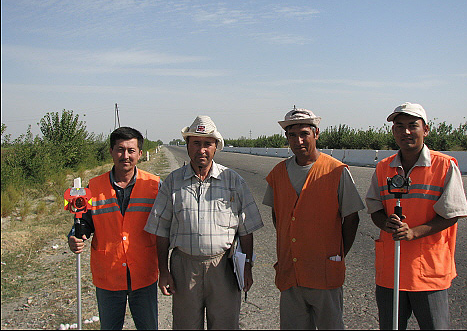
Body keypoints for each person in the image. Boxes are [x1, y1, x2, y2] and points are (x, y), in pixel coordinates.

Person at [144, 115, 264, 330]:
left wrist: (247, 267)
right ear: (188, 146)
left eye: (207, 143)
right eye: (196, 143)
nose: (201, 149)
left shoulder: (233, 181)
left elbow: (246, 230)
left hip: (223, 268)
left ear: (216, 147)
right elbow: (160, 230)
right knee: (185, 325)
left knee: (225, 325)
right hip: (184, 269)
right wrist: (164, 271)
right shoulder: (173, 181)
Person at [365, 102, 467, 330]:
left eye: (413, 126)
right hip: (391, 272)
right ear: (393, 132)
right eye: (399, 127)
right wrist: (386, 223)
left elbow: (452, 213)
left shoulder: (444, 166)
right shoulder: (383, 168)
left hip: (428, 273)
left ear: (426, 129)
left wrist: (413, 233)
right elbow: (374, 208)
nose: (406, 132)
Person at [263, 108, 365, 330]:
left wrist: (338, 255)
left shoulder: (336, 171)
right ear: (286, 138)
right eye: (292, 135)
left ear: (316, 134)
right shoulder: (278, 173)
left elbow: (352, 219)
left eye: (304, 134)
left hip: (325, 274)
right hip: (291, 272)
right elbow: (277, 214)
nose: (298, 140)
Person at [68, 127, 161, 330]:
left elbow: (167, 224)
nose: (125, 156)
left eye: (131, 150)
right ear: (111, 151)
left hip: (143, 274)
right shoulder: (93, 187)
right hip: (108, 275)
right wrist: (75, 237)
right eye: (120, 149)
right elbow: (82, 222)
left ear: (140, 154)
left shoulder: (155, 185)